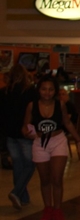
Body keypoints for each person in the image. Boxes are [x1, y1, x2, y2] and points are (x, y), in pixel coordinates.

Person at [22, 75, 80, 220]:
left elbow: (67, 123)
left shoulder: (60, 104)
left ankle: (57, 211)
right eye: (44, 89)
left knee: (56, 178)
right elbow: (24, 126)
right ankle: (47, 209)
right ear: (39, 90)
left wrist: (78, 139)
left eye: (50, 89)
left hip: (58, 141)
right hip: (39, 143)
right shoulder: (32, 106)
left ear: (55, 91)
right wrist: (27, 133)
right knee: (44, 180)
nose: (47, 93)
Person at [2, 64, 37, 209]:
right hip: (25, 133)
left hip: (10, 134)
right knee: (30, 164)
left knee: (18, 165)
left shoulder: (3, 93)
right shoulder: (30, 92)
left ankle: (23, 196)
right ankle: (17, 192)